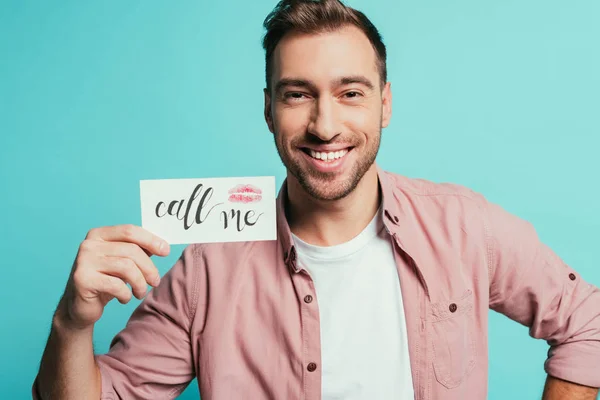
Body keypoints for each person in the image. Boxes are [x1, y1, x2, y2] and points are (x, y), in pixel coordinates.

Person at [33, 0, 600, 399]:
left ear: (384, 104)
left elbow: (588, 322)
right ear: (267, 109)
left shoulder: (464, 227)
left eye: (350, 93)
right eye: (298, 95)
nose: (324, 125)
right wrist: (71, 325)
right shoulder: (207, 267)